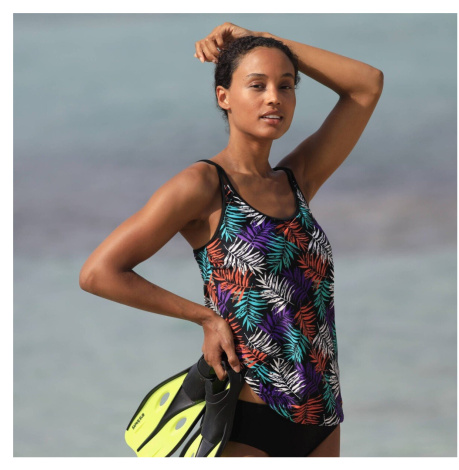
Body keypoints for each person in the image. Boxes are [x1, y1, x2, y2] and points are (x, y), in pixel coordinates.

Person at [79, 22, 383, 457]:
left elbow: (366, 86)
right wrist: (205, 319)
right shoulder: (203, 185)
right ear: (224, 97)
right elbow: (98, 273)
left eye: (286, 85)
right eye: (257, 85)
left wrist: (258, 39)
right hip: (249, 411)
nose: (274, 98)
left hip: (322, 412)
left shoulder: (296, 180)